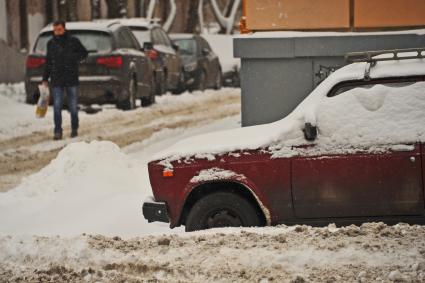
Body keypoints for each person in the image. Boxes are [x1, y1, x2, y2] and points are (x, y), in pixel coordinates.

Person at [42, 20, 88, 140]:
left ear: (64, 29)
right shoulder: (51, 43)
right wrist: (45, 78)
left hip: (71, 77)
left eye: (59, 29)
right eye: (55, 30)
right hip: (56, 79)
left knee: (72, 106)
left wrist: (73, 59)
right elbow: (48, 62)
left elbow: (84, 54)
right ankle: (57, 131)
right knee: (57, 106)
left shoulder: (73, 41)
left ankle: (74, 128)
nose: (57, 32)